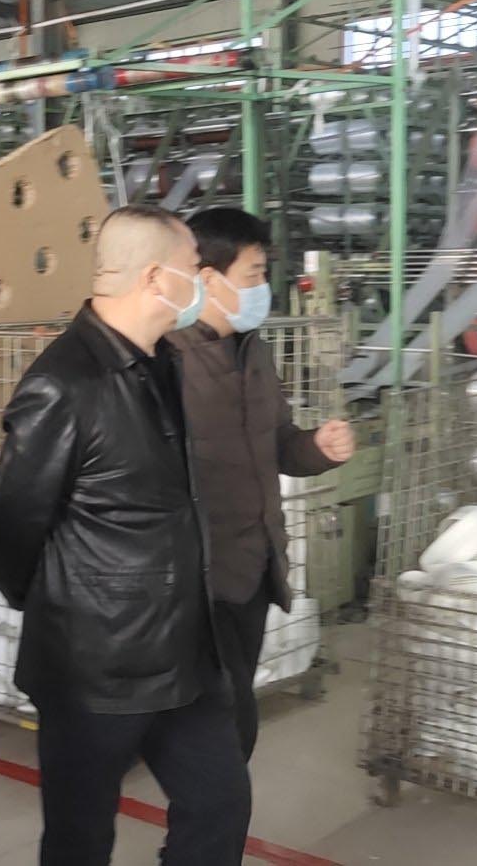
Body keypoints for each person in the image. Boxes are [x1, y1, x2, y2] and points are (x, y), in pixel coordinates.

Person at [0, 204, 251, 866]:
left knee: (219, 803)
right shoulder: (65, 383)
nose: (203, 283)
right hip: (95, 668)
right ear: (156, 278)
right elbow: (7, 527)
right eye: (194, 269)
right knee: (80, 837)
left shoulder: (160, 361)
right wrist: (69, 606)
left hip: (183, 651)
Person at [167, 208, 355, 759]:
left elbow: (277, 444)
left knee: (231, 718)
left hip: (252, 567)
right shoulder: (165, 362)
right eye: (253, 275)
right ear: (209, 279)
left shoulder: (252, 350)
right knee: (219, 727)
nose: (262, 288)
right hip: (196, 579)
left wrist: (316, 448)